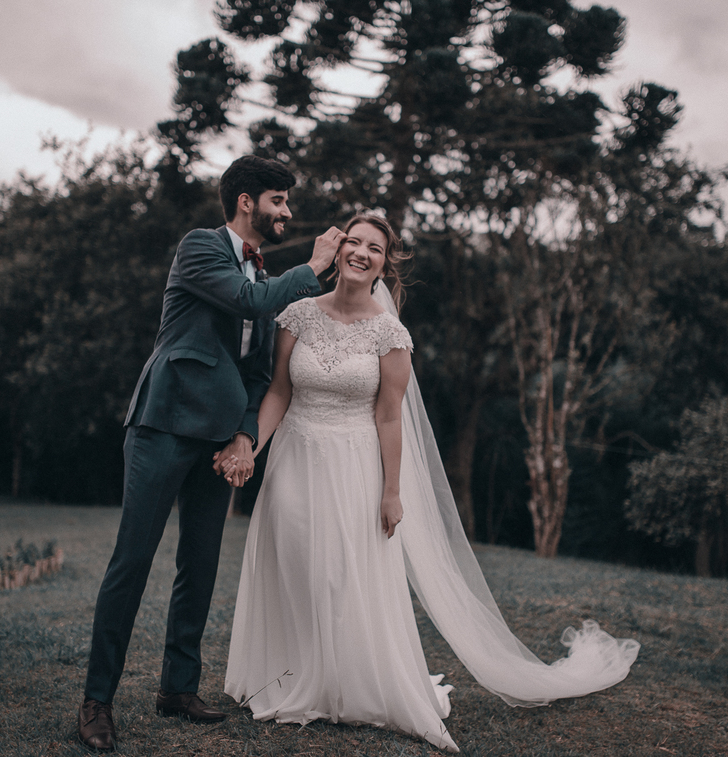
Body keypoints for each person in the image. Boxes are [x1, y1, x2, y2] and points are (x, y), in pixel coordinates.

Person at [223, 213, 641, 753]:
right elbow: (278, 391)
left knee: (339, 576)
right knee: (295, 563)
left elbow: (389, 417)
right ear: (338, 248)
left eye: (374, 248)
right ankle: (296, 676)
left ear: (383, 264)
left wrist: (392, 492)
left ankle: (344, 685)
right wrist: (248, 447)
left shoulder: (389, 333)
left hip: (354, 464)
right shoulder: (297, 313)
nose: (361, 252)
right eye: (354, 241)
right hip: (295, 458)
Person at [78, 155, 345, 752]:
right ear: (247, 201)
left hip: (219, 438)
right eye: (279, 199)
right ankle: (97, 701)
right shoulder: (200, 247)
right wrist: (316, 266)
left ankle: (178, 689)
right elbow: (247, 303)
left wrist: (244, 434)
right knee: (132, 562)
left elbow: (258, 371)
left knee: (198, 567)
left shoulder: (265, 274)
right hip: (165, 425)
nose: (288, 211)